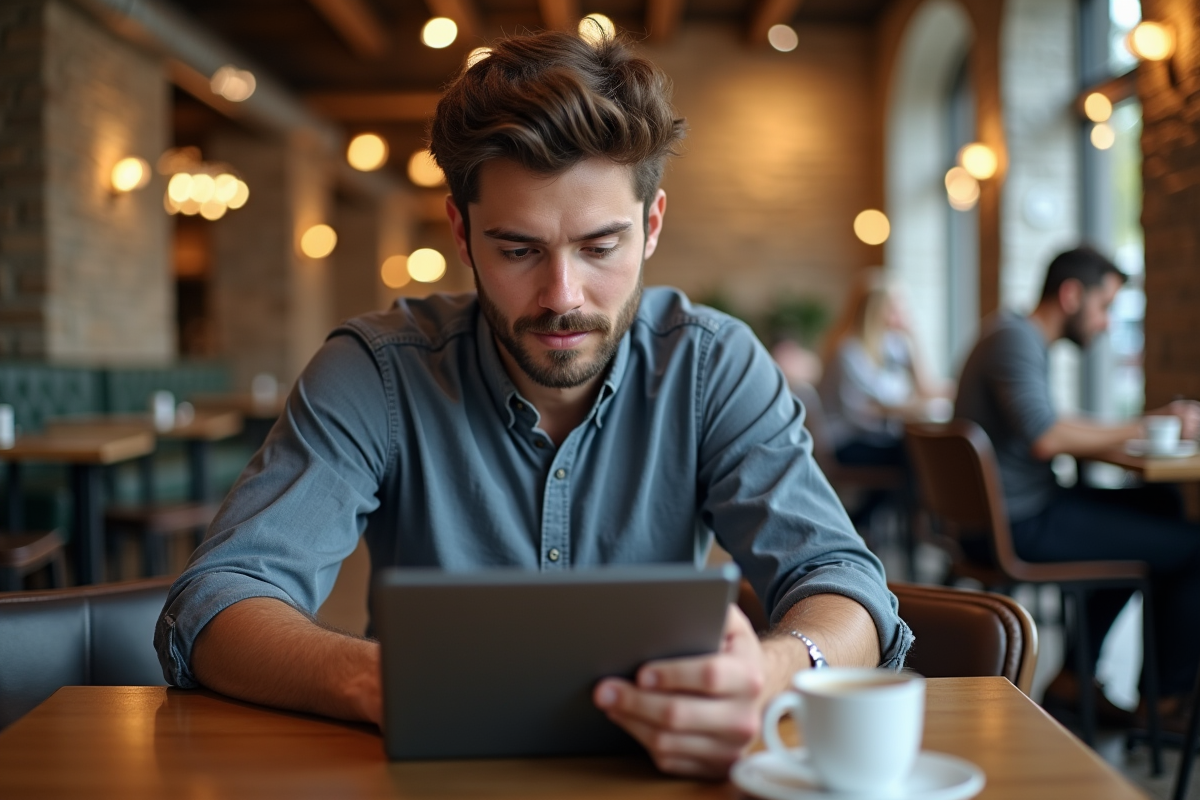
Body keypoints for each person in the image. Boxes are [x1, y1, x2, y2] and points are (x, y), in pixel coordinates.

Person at [154, 30, 911, 779]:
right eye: (518, 249)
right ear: (462, 232)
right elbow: (220, 602)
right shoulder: (376, 373)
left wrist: (780, 667)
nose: (562, 298)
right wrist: (380, 681)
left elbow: (843, 584)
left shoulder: (713, 366)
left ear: (650, 227)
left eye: (599, 247)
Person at [955, 246, 1200, 726]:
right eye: (1104, 306)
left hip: (1010, 512)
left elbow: (1050, 427)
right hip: (1017, 525)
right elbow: (1046, 437)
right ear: (1071, 295)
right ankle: (1165, 703)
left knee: (1161, 501)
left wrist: (1129, 435)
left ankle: (1074, 676)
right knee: (1193, 546)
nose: (1108, 322)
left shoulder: (1012, 334)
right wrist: (1147, 425)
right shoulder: (1015, 339)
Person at [819, 275, 947, 471]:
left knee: (921, 450)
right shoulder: (849, 351)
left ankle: (887, 502)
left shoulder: (892, 344)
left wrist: (914, 338)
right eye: (897, 307)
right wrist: (912, 406)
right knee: (920, 454)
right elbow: (871, 408)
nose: (905, 313)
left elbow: (925, 388)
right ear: (876, 310)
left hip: (876, 436)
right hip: (848, 441)